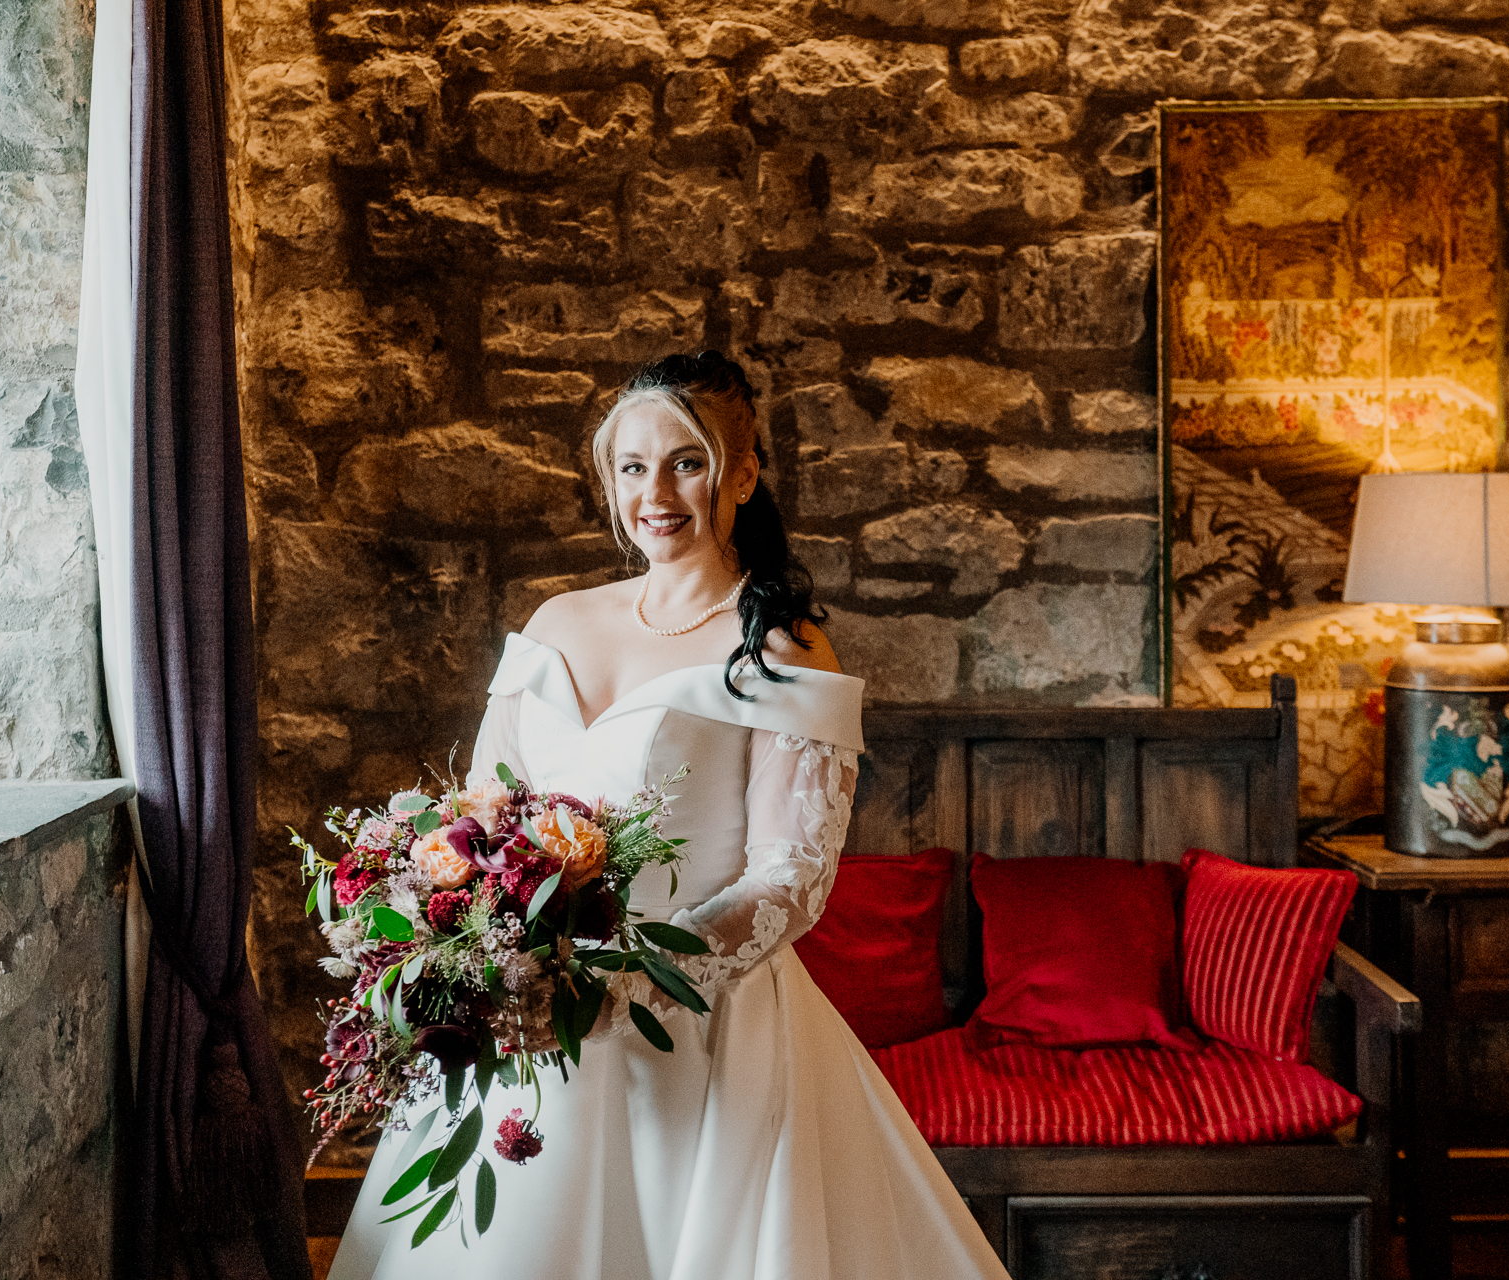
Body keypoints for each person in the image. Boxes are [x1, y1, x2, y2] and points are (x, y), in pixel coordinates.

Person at [329, 352, 1008, 1279]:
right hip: (527, 1014)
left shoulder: (780, 648)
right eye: (634, 467)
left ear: (741, 472)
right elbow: (479, 812)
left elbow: (790, 880)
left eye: (687, 462)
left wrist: (621, 988)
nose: (658, 493)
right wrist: (465, 945)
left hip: (698, 1029)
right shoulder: (558, 622)